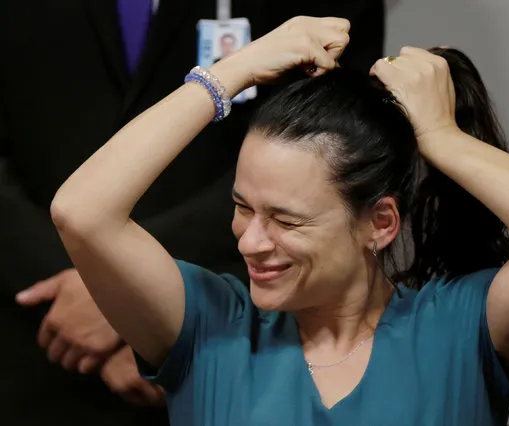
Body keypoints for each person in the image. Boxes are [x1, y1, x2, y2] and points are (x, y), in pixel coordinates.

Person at [50, 16, 509, 426]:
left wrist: (440, 136)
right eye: (243, 208)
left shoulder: (460, 331)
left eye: (286, 221)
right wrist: (229, 74)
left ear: (381, 223)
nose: (251, 240)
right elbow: (82, 211)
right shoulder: (209, 327)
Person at [0, 1, 383, 425]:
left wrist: (137, 292)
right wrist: (106, 283)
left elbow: (336, 151)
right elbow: (73, 211)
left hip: (232, 330)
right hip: (34, 334)